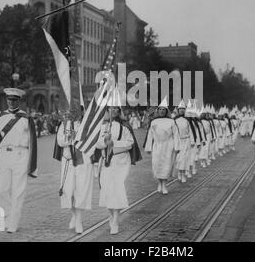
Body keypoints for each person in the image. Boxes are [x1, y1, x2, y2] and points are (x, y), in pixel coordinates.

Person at [0, 88, 37, 233]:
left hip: (21, 155)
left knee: (18, 191)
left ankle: (12, 223)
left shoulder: (26, 118)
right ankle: (8, 214)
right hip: (3, 155)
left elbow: (33, 142)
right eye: (9, 99)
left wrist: (32, 165)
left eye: (14, 100)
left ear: (19, 101)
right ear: (6, 100)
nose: (11, 102)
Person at [95, 88, 141, 234]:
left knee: (117, 187)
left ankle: (115, 219)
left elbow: (130, 143)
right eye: (111, 107)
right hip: (106, 162)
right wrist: (105, 141)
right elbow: (97, 144)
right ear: (108, 109)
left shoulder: (124, 127)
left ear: (119, 110)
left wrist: (114, 144)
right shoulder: (103, 126)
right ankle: (112, 213)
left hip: (120, 161)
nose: (114, 110)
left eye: (116, 107)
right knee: (107, 189)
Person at [53, 110, 94, 234]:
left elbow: (90, 141)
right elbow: (60, 141)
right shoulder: (65, 124)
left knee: (80, 191)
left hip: (82, 161)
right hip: (68, 161)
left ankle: (79, 220)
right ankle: (74, 215)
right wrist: (70, 138)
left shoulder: (87, 124)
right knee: (67, 191)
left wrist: (77, 137)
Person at [144, 96, 180, 194]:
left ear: (166, 111)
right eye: (160, 109)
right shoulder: (154, 122)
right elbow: (150, 135)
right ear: (157, 111)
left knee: (167, 165)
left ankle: (164, 184)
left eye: (164, 109)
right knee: (157, 164)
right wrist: (148, 147)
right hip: (157, 146)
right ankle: (159, 183)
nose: (162, 111)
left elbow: (176, 135)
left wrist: (177, 147)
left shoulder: (172, 121)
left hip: (168, 146)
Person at [174, 100, 195, 183]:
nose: (182, 110)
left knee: (185, 158)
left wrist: (192, 141)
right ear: (178, 110)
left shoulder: (188, 120)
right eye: (180, 109)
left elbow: (190, 131)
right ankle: (179, 172)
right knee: (179, 159)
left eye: (183, 109)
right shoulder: (174, 120)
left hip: (186, 141)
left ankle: (182, 174)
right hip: (178, 141)